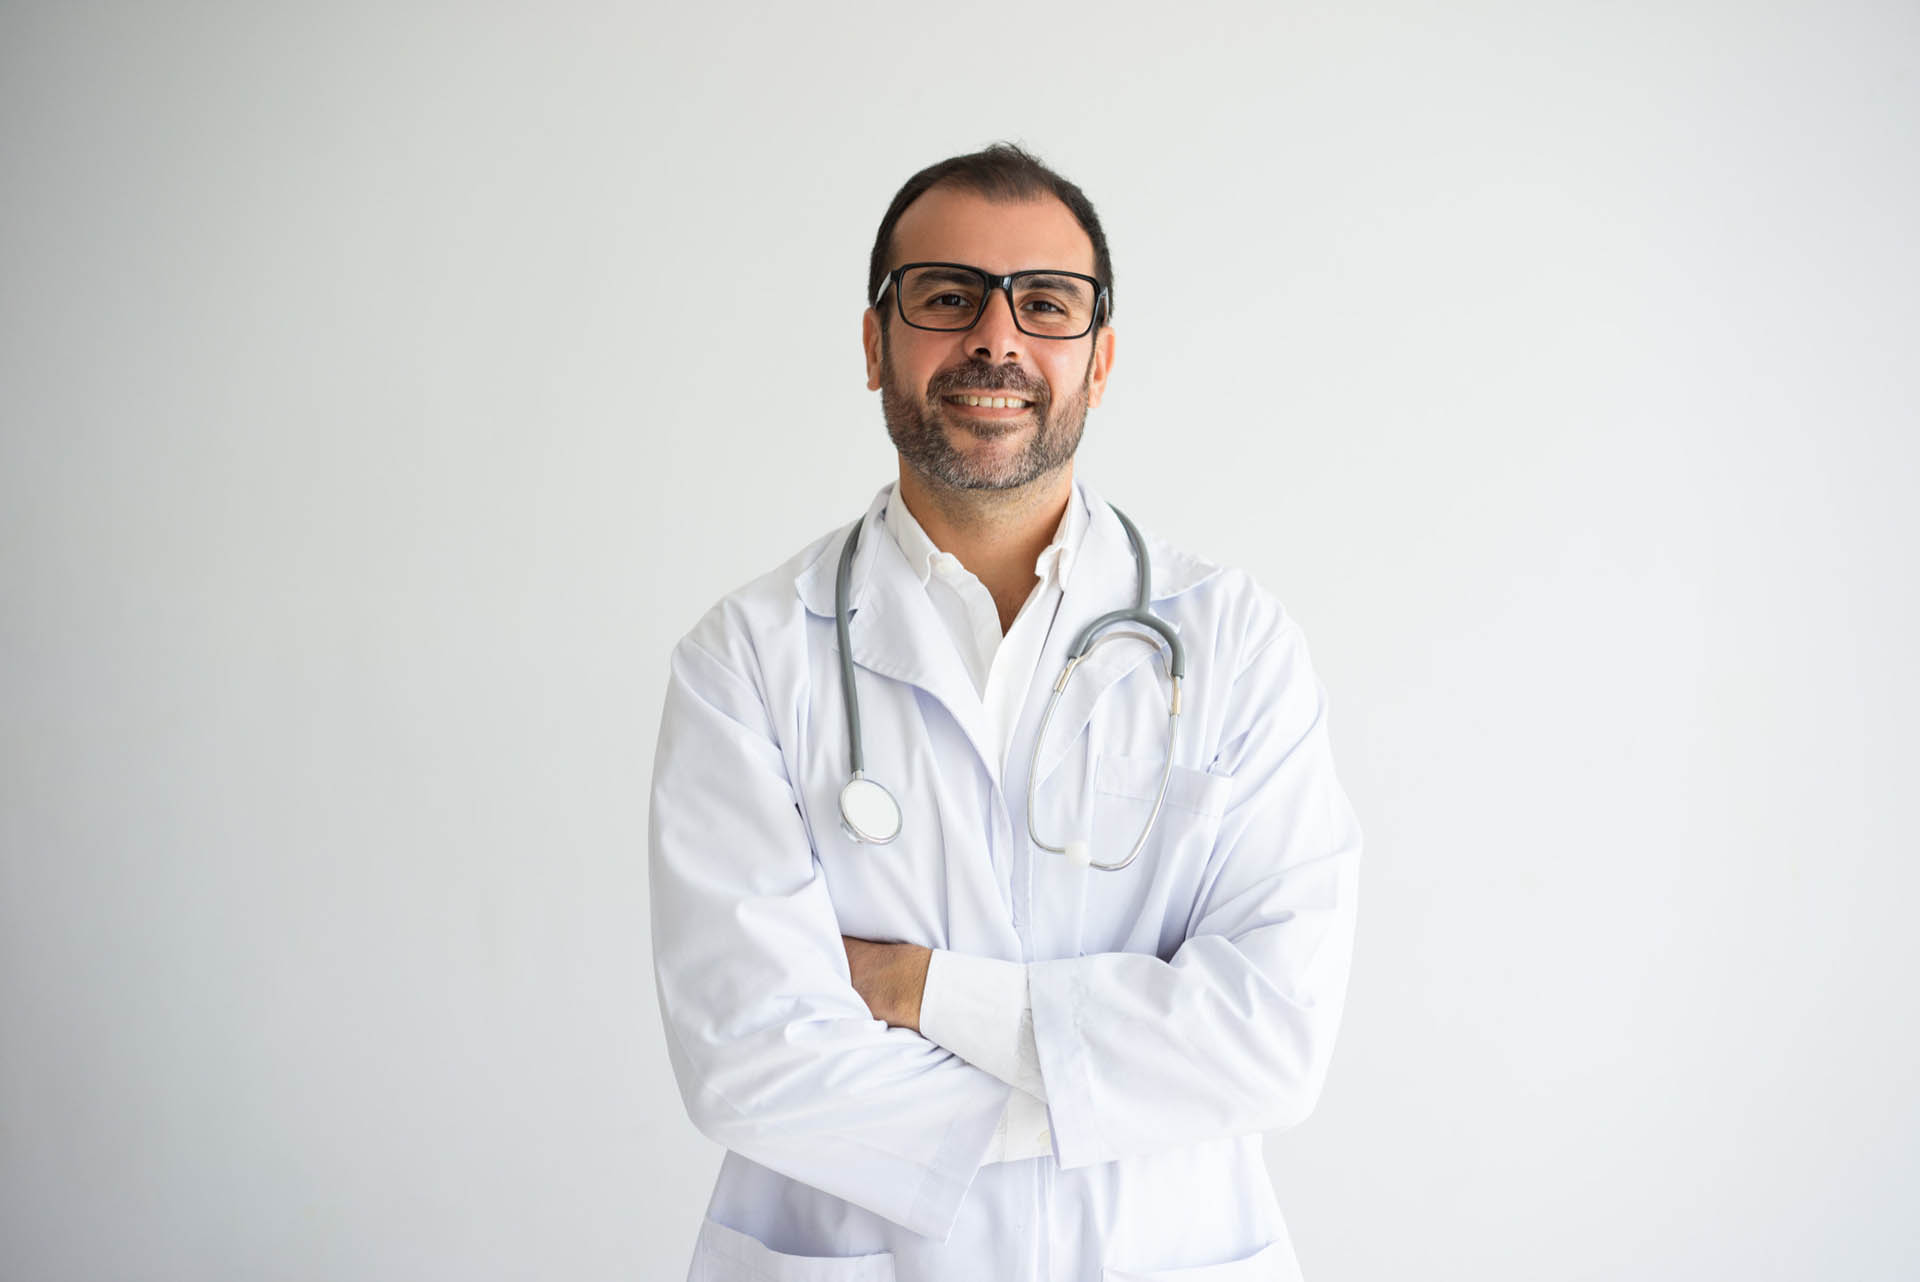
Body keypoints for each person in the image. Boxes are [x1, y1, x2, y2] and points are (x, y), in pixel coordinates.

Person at [648, 142, 1363, 1282]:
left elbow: (1270, 1043)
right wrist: (1119, 1088)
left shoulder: (1236, 644)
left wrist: (918, 989)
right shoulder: (748, 658)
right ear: (874, 343)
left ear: (1099, 358)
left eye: (1046, 302)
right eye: (947, 297)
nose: (996, 337)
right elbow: (753, 1066)